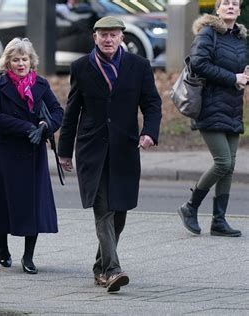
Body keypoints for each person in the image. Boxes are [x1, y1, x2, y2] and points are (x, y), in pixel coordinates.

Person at [58, 16, 162, 292]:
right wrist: (64, 151)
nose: (108, 39)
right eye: (103, 34)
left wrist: (150, 132)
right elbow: (72, 112)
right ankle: (114, 269)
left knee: (119, 212)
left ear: (121, 38)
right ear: (94, 37)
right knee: (102, 209)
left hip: (125, 149)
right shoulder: (81, 67)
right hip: (92, 149)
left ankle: (100, 267)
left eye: (113, 34)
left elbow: (152, 103)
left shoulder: (138, 67)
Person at [0, 38, 64, 274]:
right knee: (3, 201)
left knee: (33, 204)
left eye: (24, 59)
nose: (21, 64)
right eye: (16, 59)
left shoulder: (41, 84)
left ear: (31, 61)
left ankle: (28, 256)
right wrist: (26, 127)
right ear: (8, 62)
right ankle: (2, 242)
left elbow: (58, 111)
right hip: (5, 151)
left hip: (33, 153)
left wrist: (45, 126)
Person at [177, 0, 247, 237]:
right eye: (225, 3)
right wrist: (232, 78)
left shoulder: (239, 38)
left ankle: (219, 221)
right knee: (223, 162)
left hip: (233, 108)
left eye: (234, 3)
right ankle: (190, 206)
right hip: (208, 106)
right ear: (217, 9)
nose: (230, 6)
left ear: (239, 10)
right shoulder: (208, 34)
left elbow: (241, 70)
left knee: (230, 167)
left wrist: (245, 76)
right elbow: (199, 64)